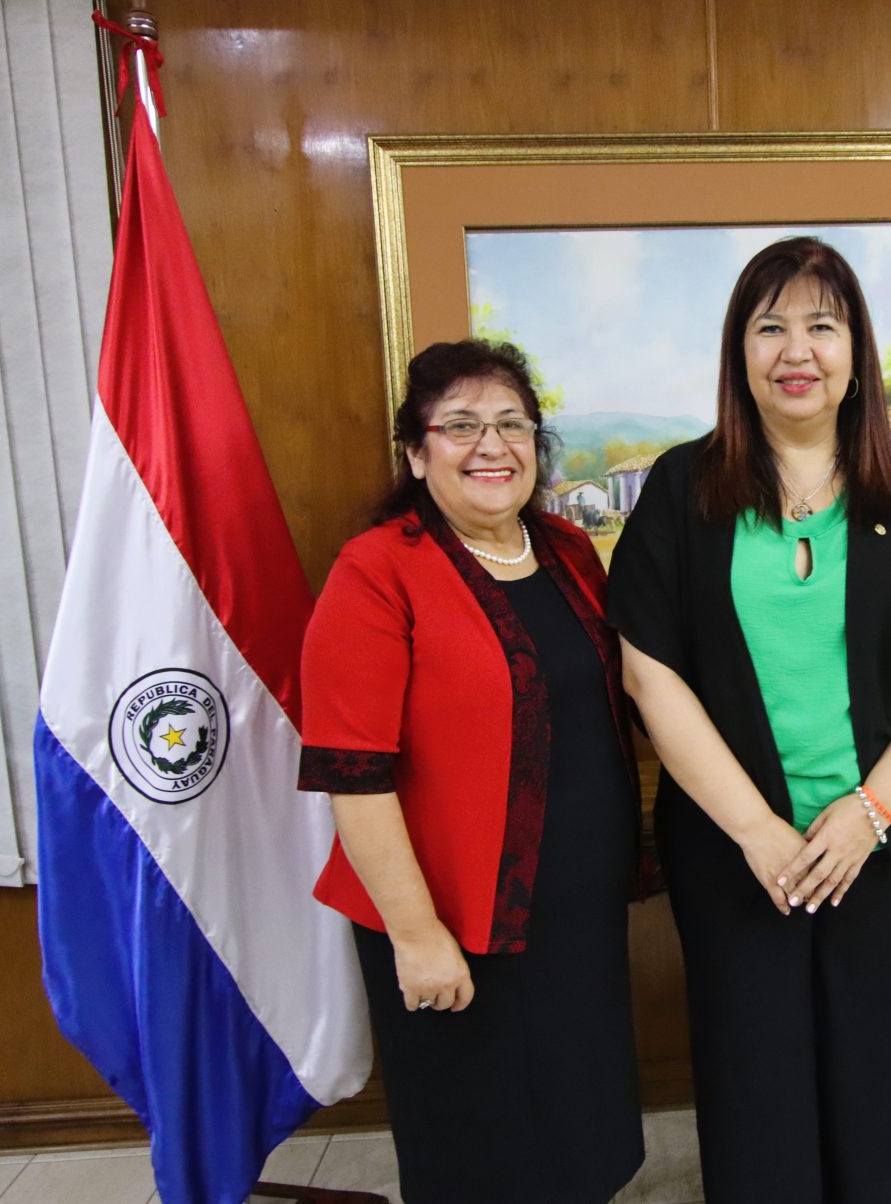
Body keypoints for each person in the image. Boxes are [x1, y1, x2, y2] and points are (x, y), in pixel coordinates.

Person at [608, 236, 891, 1204]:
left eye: (822, 324)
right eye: (770, 324)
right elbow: (650, 671)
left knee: (865, 1071)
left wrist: (872, 810)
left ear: (857, 351)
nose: (797, 348)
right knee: (752, 1078)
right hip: (736, 848)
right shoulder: (682, 489)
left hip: (877, 838)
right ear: (739, 352)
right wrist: (756, 831)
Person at [297, 340, 644, 1204]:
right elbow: (356, 774)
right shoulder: (376, 570)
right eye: (460, 425)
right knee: (482, 1153)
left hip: (573, 916)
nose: (491, 444)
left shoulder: (567, 552)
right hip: (450, 926)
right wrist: (416, 936)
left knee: (579, 1131)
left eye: (510, 423)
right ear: (417, 452)